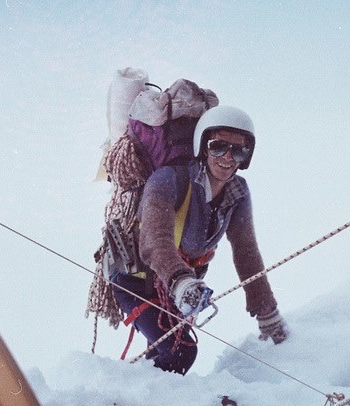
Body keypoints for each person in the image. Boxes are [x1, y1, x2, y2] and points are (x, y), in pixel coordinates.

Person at [110, 105, 288, 374]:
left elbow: (246, 251)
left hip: (178, 289)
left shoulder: (237, 192)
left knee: (164, 352)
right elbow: (154, 240)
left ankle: (140, 402)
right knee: (181, 351)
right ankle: (149, 405)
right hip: (137, 282)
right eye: (218, 147)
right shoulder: (168, 179)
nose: (227, 157)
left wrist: (266, 310)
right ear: (204, 147)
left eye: (238, 150)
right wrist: (181, 281)